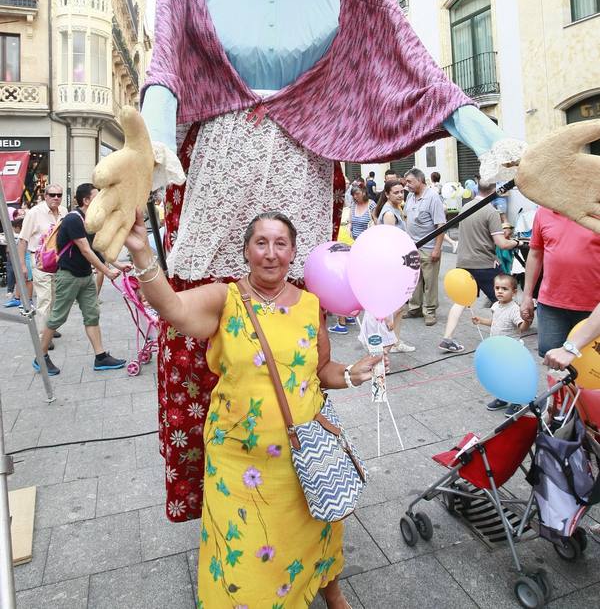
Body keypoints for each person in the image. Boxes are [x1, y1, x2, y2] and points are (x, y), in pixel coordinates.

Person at [89, 0, 526, 520]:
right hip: (210, 173)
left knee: (290, 350)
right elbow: (166, 69)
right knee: (199, 348)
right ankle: (218, 517)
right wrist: (145, 148)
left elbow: (417, 70)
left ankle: (297, 517)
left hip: (300, 177)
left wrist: (498, 146)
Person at [126, 209, 384, 608]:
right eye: (261, 243)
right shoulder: (224, 298)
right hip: (237, 463)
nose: (270, 253)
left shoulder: (311, 305)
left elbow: (321, 370)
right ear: (246, 250)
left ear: (293, 252)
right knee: (244, 560)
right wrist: (142, 252)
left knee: (315, 533)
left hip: (302, 457)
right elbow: (172, 308)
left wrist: (352, 373)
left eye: (280, 243)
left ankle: (329, 588)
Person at [32, 184, 128, 377]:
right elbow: (85, 249)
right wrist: (106, 272)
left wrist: (117, 265)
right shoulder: (73, 220)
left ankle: (100, 357)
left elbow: (97, 247)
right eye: (97, 197)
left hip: (85, 276)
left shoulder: (89, 221)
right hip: (68, 276)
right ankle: (40, 357)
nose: (101, 201)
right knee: (58, 316)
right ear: (86, 200)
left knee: (92, 315)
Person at [439, 180, 519, 353]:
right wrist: (516, 242)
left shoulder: (466, 207)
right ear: (493, 191)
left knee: (461, 300)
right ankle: (504, 337)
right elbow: (501, 243)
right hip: (484, 264)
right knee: (502, 300)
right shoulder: (490, 211)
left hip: (463, 262)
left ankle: (447, 338)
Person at [520, 208, 600, 356]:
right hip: (551, 307)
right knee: (553, 361)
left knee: (591, 367)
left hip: (594, 309)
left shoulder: (596, 211)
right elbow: (535, 254)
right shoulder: (544, 211)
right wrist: (526, 296)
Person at [472, 273, 530, 416]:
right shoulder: (495, 306)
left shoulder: (514, 309)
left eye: (504, 289)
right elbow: (496, 322)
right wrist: (481, 320)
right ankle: (503, 398)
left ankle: (517, 401)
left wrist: (527, 320)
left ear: (514, 292)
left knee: (512, 376)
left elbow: (521, 327)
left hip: (511, 350)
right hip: (497, 348)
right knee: (500, 375)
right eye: (497, 288)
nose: (499, 291)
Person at [16, 184, 67, 331]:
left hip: (58, 261)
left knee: (55, 298)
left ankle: (50, 329)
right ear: (45, 196)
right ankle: (44, 336)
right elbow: (23, 240)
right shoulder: (34, 213)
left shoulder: (64, 211)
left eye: (59, 195)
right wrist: (22, 265)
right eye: (52, 195)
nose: (56, 198)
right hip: (39, 261)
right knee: (45, 299)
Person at [373, 179, 415, 353]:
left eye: (401, 191)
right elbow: (391, 242)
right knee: (396, 306)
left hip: (401, 261)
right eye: (396, 192)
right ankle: (388, 345)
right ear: (387, 194)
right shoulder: (389, 213)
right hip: (395, 264)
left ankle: (395, 341)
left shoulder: (396, 209)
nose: (400, 194)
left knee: (401, 305)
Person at [329, 185, 374, 335]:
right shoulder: (351, 207)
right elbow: (350, 225)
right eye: (353, 194)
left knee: (344, 285)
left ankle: (343, 320)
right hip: (350, 247)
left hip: (363, 249)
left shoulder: (371, 205)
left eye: (358, 193)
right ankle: (348, 315)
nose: (355, 196)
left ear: (364, 193)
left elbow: (376, 225)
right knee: (350, 284)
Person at [404, 168, 446, 326]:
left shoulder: (433, 197)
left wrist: (437, 249)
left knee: (430, 282)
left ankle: (429, 311)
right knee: (414, 280)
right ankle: (414, 308)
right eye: (406, 182)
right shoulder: (410, 197)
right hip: (412, 247)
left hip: (428, 247)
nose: (407, 185)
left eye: (410, 182)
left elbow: (441, 225)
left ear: (420, 180)